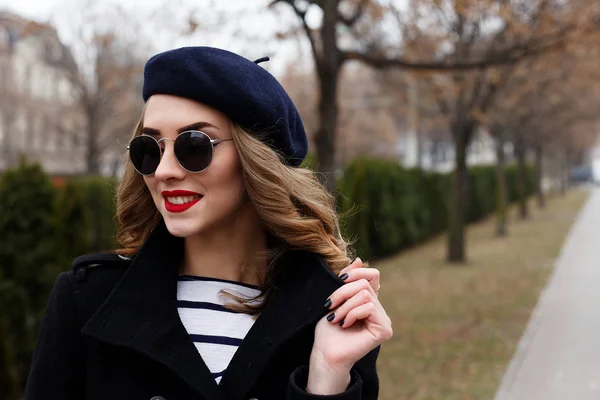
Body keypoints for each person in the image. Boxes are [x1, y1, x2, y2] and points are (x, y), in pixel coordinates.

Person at [25, 46, 393, 400]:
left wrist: (327, 375)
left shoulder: (331, 316)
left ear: (256, 161)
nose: (165, 171)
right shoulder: (86, 300)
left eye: (194, 145)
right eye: (149, 149)